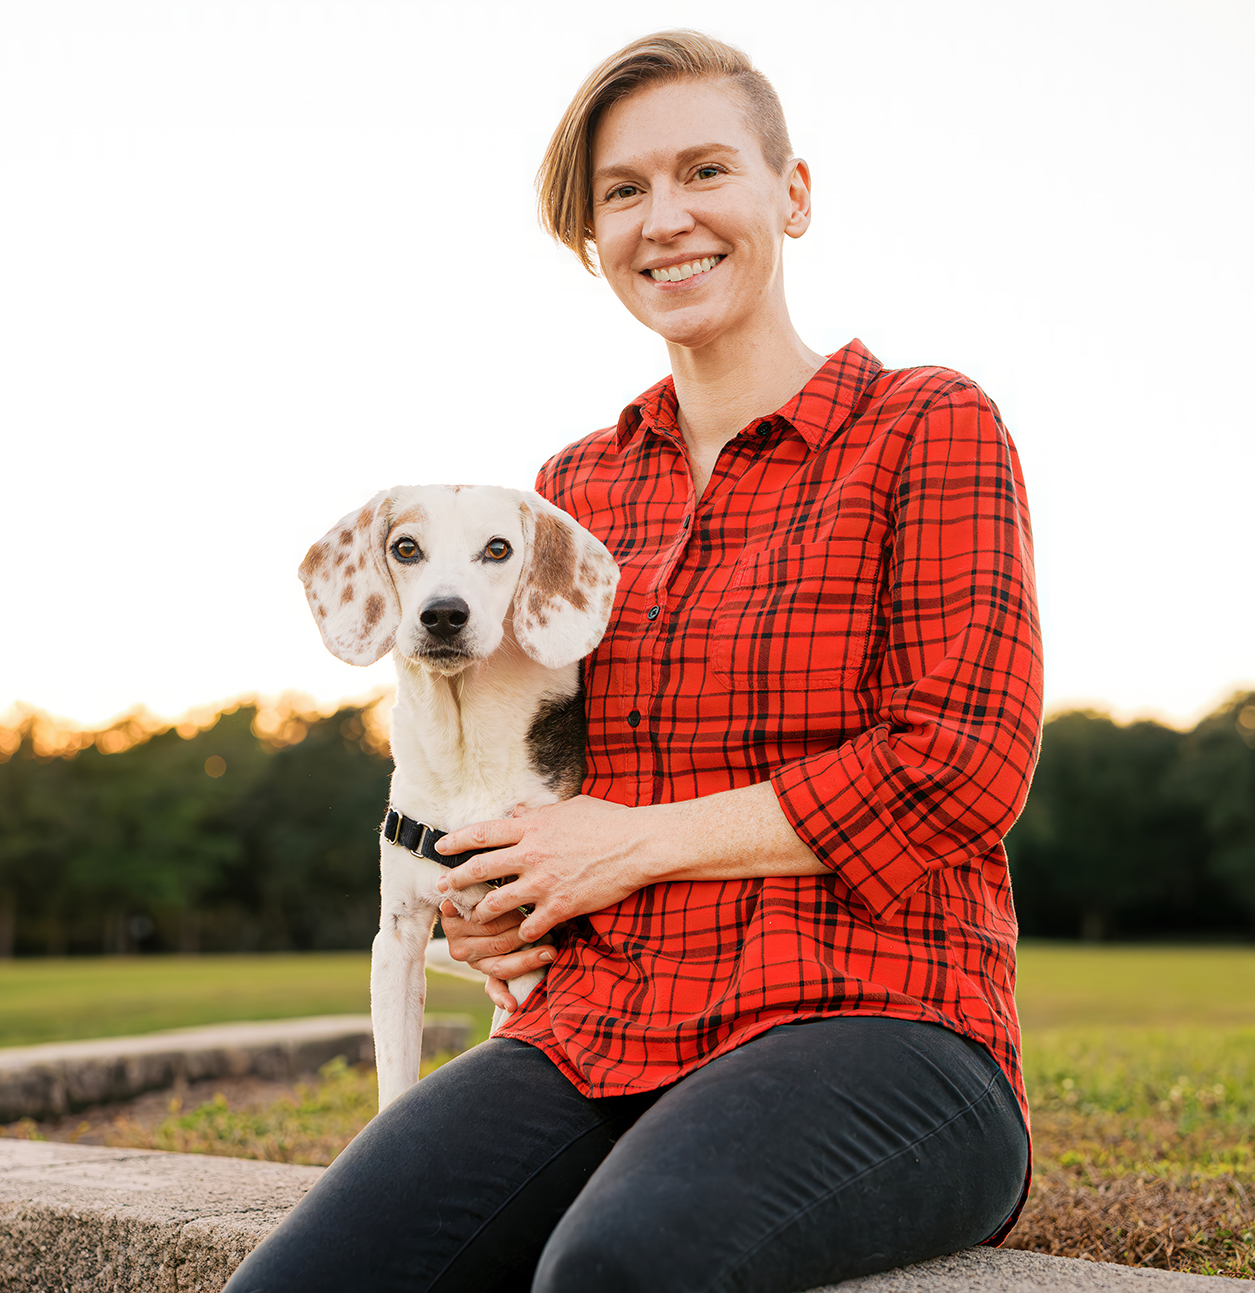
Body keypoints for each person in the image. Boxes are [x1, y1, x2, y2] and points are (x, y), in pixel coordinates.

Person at [227, 30, 1042, 1293]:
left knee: (614, 1269)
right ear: (592, 234)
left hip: (882, 1017)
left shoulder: (924, 426)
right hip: (600, 1021)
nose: (665, 219)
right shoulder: (572, 497)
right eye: (623, 191)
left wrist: (633, 845)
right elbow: (513, 778)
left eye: (705, 170)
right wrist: (495, 899)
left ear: (792, 194)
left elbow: (961, 765)